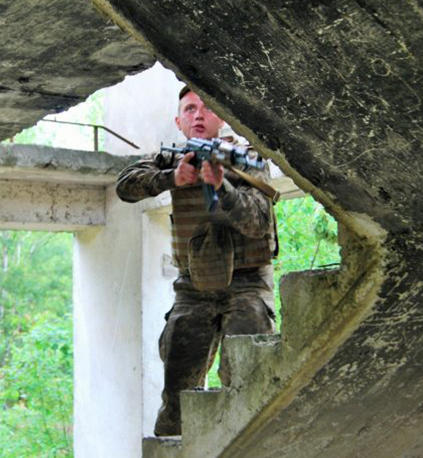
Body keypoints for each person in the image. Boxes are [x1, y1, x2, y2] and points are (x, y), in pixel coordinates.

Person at [116, 86, 278, 436]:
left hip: (247, 284)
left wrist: (223, 188)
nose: (198, 115)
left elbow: (258, 223)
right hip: (193, 287)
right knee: (178, 398)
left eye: (206, 108)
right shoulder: (172, 158)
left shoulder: (245, 156)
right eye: (189, 110)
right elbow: (125, 186)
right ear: (179, 121)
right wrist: (170, 178)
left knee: (248, 385)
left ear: (221, 117)